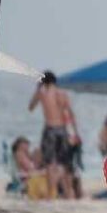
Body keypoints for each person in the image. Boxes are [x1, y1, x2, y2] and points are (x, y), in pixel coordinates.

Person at [28, 71, 80, 200]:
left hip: (50, 129)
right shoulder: (62, 94)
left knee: (50, 163)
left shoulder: (42, 93)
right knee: (64, 163)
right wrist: (76, 132)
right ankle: (69, 193)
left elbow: (31, 107)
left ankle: (52, 194)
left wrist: (38, 88)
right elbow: (71, 114)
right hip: (62, 130)